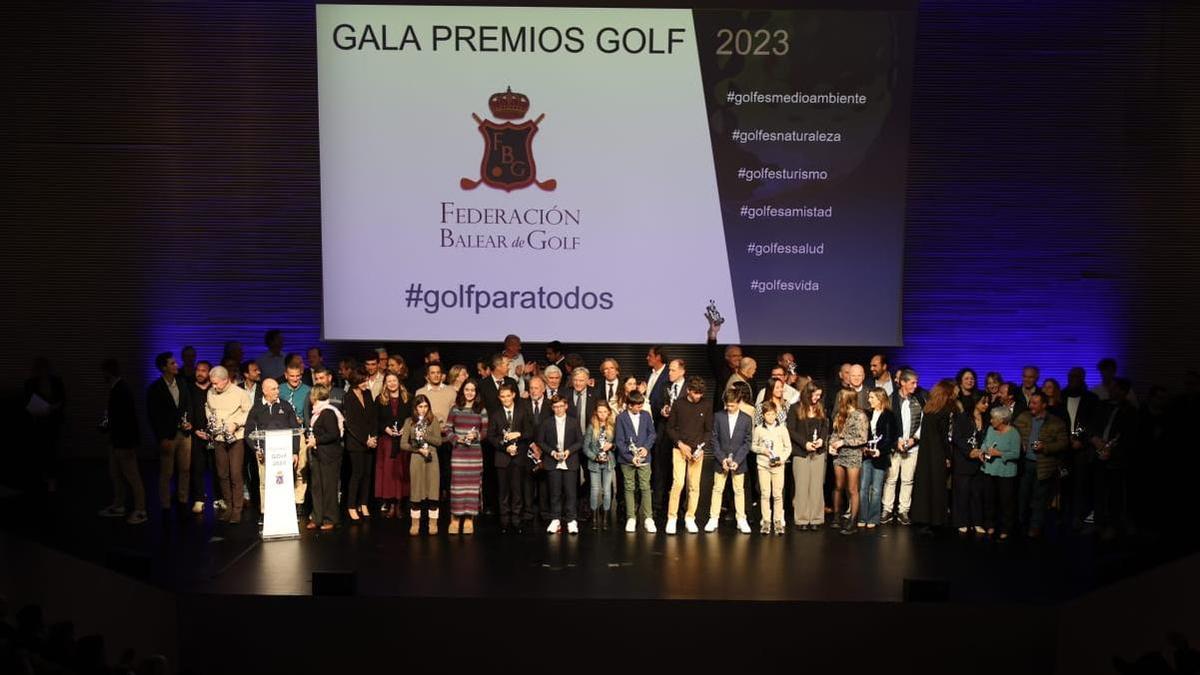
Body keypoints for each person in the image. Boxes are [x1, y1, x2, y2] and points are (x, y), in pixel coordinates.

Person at [200, 365, 251, 524]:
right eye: (212, 383)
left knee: (235, 473)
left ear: (226, 379)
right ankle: (228, 506)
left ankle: (237, 509)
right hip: (219, 438)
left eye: (216, 383)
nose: (214, 386)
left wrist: (236, 423)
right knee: (222, 473)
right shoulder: (210, 393)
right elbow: (208, 408)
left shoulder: (240, 393)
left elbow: (248, 412)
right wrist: (211, 420)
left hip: (236, 438)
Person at [244, 378, 301, 521]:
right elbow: (249, 432)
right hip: (264, 453)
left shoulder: (286, 406)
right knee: (264, 483)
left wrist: (294, 452)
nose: (278, 391)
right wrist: (257, 449)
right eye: (274, 389)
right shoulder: (257, 408)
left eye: (278, 388)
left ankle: (286, 512)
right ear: (264, 391)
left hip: (284, 454)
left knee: (284, 482)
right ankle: (265, 513)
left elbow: (295, 430)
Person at [98, 359, 147, 525]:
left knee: (132, 476)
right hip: (117, 441)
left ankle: (140, 510)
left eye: (103, 372)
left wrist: (126, 442)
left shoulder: (121, 390)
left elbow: (125, 419)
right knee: (116, 474)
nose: (102, 376)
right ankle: (119, 505)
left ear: (108, 372)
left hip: (123, 442)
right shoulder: (118, 389)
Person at [1087, 377, 1137, 540]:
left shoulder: (1130, 411)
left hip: (1116, 460)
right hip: (1097, 454)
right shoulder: (1103, 405)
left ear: (1122, 390)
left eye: (1114, 387)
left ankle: (1112, 526)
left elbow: (1129, 439)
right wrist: (1094, 439)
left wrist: (1110, 451)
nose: (1110, 389)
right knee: (1098, 493)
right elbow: (1090, 425)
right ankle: (1098, 523)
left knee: (1114, 495)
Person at [1013, 391, 1068, 538]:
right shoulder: (1023, 417)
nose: (1031, 405)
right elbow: (1012, 432)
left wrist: (1046, 447)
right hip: (1025, 464)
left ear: (1044, 405)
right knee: (1022, 497)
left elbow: (1063, 443)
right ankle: (1020, 524)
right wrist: (1019, 444)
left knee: (1039, 498)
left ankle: (1035, 527)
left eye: (1035, 403)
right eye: (1031, 402)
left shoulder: (1056, 422)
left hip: (1043, 466)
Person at [664, 376, 711, 534]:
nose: (698, 396)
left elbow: (708, 430)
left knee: (694, 486)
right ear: (688, 390)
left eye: (700, 394)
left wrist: (701, 448)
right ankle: (672, 517)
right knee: (678, 484)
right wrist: (680, 444)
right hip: (679, 449)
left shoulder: (706, 404)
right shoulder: (678, 404)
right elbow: (670, 428)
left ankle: (690, 517)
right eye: (696, 393)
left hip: (697, 451)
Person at [910, 379, 958, 533]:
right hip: (937, 454)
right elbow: (944, 437)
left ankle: (922, 518)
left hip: (925, 453)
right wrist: (948, 456)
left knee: (924, 486)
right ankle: (936, 520)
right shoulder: (945, 411)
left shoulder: (929, 409)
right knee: (937, 487)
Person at [146, 352, 191, 512]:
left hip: (184, 433)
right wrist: (161, 437)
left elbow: (187, 405)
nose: (176, 365)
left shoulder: (182, 383)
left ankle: (183, 500)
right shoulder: (155, 388)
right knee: (167, 471)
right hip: (168, 436)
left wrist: (189, 422)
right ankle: (165, 504)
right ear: (163, 367)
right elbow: (153, 416)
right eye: (172, 363)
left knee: (185, 469)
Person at [488, 383, 532, 533]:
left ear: (513, 395)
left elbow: (530, 432)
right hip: (502, 457)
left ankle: (516, 520)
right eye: (502, 396)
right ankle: (505, 521)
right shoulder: (495, 414)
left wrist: (518, 435)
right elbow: (491, 437)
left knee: (517, 490)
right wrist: (505, 447)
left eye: (508, 395)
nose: (506, 399)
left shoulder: (522, 411)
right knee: (503, 492)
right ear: (499, 398)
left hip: (519, 457)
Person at [446, 380, 488, 534]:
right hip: (459, 454)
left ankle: (469, 518)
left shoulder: (481, 410)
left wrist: (475, 435)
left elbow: (485, 432)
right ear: (462, 391)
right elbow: (448, 429)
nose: (470, 392)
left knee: (472, 487)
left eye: (473, 390)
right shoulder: (455, 409)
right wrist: (458, 439)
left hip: (475, 454)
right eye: (467, 389)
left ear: (476, 393)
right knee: (457, 487)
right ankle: (455, 518)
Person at [707, 390, 752, 533]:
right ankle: (713, 518)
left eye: (732, 405)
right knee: (717, 489)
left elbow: (747, 442)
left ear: (739, 403)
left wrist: (737, 460)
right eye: (727, 405)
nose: (729, 408)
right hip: (722, 460)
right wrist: (722, 459)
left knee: (739, 490)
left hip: (739, 461)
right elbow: (713, 439)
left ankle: (741, 519)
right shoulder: (718, 417)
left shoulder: (746, 419)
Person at [882, 368, 923, 525]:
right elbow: (886, 425)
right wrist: (896, 441)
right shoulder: (891, 400)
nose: (915, 385)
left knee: (908, 480)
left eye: (916, 382)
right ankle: (887, 509)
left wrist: (914, 439)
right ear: (903, 383)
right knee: (891, 479)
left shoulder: (918, 400)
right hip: (895, 447)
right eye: (913, 382)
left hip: (912, 447)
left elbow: (922, 423)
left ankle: (903, 510)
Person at [538, 395, 583, 534]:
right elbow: (541, 441)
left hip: (570, 461)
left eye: (561, 406)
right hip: (553, 461)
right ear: (552, 408)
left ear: (566, 406)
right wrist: (552, 453)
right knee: (555, 492)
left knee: (570, 493)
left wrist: (569, 451)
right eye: (555, 407)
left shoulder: (573, 422)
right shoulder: (546, 423)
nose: (558, 409)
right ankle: (555, 519)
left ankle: (571, 520)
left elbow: (580, 441)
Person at [401, 394, 444, 535]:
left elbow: (439, 441)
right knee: (416, 491)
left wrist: (424, 435)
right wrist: (418, 449)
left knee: (432, 491)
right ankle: (415, 523)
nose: (423, 409)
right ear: (415, 408)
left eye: (426, 406)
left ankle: (433, 523)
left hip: (432, 458)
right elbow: (403, 444)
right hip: (417, 458)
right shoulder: (409, 422)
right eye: (420, 406)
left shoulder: (433, 420)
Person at [787, 381, 828, 530]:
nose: (818, 398)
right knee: (802, 486)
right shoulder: (794, 408)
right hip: (801, 452)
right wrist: (805, 444)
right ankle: (802, 519)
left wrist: (821, 440)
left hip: (818, 452)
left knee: (817, 487)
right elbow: (791, 430)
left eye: (819, 395)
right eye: (815, 395)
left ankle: (816, 518)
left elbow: (825, 426)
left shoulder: (820, 407)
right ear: (808, 393)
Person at [615, 391, 656, 533]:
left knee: (645, 487)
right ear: (629, 405)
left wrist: (646, 448)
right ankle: (631, 517)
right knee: (629, 487)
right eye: (637, 406)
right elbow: (619, 441)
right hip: (628, 459)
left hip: (644, 458)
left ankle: (648, 518)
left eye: (641, 405)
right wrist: (630, 457)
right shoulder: (621, 418)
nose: (640, 408)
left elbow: (652, 434)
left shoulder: (646, 415)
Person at [342, 367, 379, 523]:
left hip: (370, 441)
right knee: (357, 474)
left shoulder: (368, 393)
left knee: (367, 475)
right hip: (356, 443)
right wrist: (366, 440)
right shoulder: (348, 397)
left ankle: (363, 503)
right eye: (363, 381)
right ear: (356, 381)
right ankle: (351, 506)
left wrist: (373, 437)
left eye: (367, 380)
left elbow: (373, 417)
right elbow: (351, 424)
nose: (367, 383)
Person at [828, 389, 867, 534]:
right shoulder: (840, 414)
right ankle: (837, 517)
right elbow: (834, 434)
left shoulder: (860, 416)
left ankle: (853, 521)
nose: (839, 401)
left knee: (852, 488)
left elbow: (862, 438)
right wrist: (831, 445)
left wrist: (844, 442)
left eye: (841, 398)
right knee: (838, 485)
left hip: (853, 454)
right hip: (839, 455)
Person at [25, 358, 65, 493]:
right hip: (38, 422)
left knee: (52, 451)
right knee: (40, 451)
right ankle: (42, 477)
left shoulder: (56, 382)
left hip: (53, 422)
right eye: (40, 369)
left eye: (45, 368)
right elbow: (26, 401)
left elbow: (63, 401)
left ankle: (52, 480)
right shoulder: (31, 383)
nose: (43, 371)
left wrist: (53, 407)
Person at [307, 385, 344, 530]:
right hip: (318, 455)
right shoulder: (317, 412)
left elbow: (333, 434)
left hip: (329, 456)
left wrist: (316, 440)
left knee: (328, 488)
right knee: (316, 487)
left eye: (311, 395)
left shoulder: (327, 412)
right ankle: (317, 518)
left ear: (315, 396)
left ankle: (330, 518)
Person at [751, 400, 792, 534]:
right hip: (763, 465)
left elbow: (788, 447)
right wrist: (763, 450)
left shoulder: (782, 429)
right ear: (763, 415)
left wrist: (782, 459)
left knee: (777, 494)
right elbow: (753, 446)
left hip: (778, 466)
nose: (770, 417)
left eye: (773, 414)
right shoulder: (758, 429)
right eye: (768, 414)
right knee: (765, 493)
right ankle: (766, 520)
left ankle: (778, 520)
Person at [980, 406, 1020, 539]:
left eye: (993, 418)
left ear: (1002, 420)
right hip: (989, 470)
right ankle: (990, 525)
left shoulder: (1013, 433)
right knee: (989, 499)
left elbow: (1016, 453)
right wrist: (984, 450)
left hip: (1006, 473)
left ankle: (1005, 528)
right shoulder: (991, 430)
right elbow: (985, 444)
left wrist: (999, 453)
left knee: (1006, 502)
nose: (991, 421)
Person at [951, 394, 989, 534]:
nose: (986, 405)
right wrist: (969, 451)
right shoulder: (963, 418)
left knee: (977, 493)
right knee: (962, 493)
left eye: (987, 402)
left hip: (979, 462)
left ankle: (977, 522)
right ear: (975, 402)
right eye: (983, 402)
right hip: (963, 460)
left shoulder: (986, 419)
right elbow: (957, 437)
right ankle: (961, 522)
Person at [859, 388, 897, 530]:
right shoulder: (868, 414)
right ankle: (863, 516)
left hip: (880, 456)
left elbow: (889, 437)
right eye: (869, 397)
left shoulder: (888, 415)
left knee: (875, 488)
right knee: (863, 487)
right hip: (867, 455)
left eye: (872, 398)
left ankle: (873, 518)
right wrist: (864, 447)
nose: (869, 400)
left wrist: (880, 451)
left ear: (880, 399)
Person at [376, 372, 412, 520]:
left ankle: (400, 504)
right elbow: (375, 419)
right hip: (387, 442)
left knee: (402, 471)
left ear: (399, 382)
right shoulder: (380, 400)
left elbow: (413, 417)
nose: (391, 383)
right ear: (385, 384)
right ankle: (390, 504)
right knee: (389, 473)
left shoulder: (408, 398)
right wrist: (386, 429)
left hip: (404, 442)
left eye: (394, 380)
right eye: (388, 381)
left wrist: (406, 428)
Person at [278, 364, 311, 514]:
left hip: (299, 432)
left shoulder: (307, 390)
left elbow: (309, 413)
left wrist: (301, 420)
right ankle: (283, 498)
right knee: (283, 467)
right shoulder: (280, 389)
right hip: (281, 434)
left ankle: (299, 500)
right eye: (292, 375)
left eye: (298, 375)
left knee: (301, 466)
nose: (295, 378)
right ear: (286, 375)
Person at [583, 400, 618, 531]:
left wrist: (612, 446)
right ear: (596, 413)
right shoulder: (592, 426)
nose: (602, 414)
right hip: (594, 463)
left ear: (608, 412)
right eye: (600, 412)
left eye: (604, 411)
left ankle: (605, 518)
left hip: (609, 462)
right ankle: (594, 517)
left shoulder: (613, 426)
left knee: (607, 490)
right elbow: (585, 447)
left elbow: (617, 444)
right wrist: (594, 456)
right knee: (594, 490)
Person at [186, 360, 215, 513]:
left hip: (215, 435)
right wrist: (195, 430)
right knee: (197, 467)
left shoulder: (215, 389)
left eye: (204, 370)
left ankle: (219, 498)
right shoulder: (189, 389)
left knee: (217, 468)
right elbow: (186, 412)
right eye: (198, 369)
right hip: (196, 434)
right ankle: (199, 499)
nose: (200, 373)